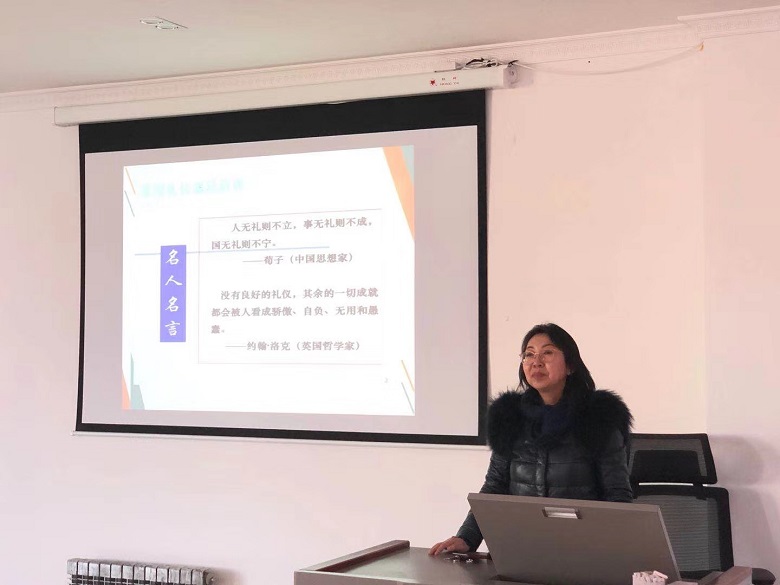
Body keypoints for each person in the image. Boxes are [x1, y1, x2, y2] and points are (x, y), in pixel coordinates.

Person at [429, 322, 633, 555]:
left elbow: (618, 496)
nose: (536, 362)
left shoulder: (598, 419)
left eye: (548, 352)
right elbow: (495, 487)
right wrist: (466, 537)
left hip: (584, 551)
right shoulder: (510, 418)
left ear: (570, 365)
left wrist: (610, 554)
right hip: (522, 549)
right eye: (529, 354)